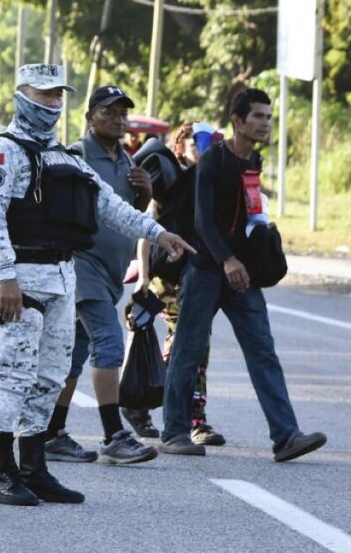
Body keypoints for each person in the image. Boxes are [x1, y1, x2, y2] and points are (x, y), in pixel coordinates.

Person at [0, 64, 192, 507]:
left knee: (51, 376)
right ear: (22, 95)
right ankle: (1, 474)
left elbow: (110, 207)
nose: (51, 104)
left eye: (57, 96)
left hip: (61, 278)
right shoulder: (4, 152)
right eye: (43, 94)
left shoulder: (64, 158)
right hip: (22, 280)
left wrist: (157, 233)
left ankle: (34, 469)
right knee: (13, 375)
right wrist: (5, 275)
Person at [160, 89, 326, 461]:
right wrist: (226, 260)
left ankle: (286, 437)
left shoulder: (254, 161)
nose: (265, 123)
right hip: (205, 269)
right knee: (188, 350)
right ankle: (173, 432)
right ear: (237, 121)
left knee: (263, 352)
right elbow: (202, 220)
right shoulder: (213, 161)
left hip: (241, 275)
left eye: (268, 117)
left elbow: (249, 216)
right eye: (258, 117)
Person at [42, 86, 158, 465]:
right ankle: (114, 434)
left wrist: (145, 194)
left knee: (74, 356)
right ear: (90, 115)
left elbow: (127, 215)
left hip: (110, 274)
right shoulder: (76, 156)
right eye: (108, 112)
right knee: (108, 343)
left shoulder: (126, 161)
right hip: (82, 267)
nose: (117, 119)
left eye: (122, 113)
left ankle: (52, 434)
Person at [124, 121, 225, 445]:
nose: (203, 148)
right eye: (197, 142)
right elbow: (145, 232)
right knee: (186, 347)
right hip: (164, 277)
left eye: (209, 143)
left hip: (197, 275)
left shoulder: (210, 181)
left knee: (196, 348)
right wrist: (142, 278)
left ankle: (179, 415)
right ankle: (185, 418)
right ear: (180, 146)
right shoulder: (168, 179)